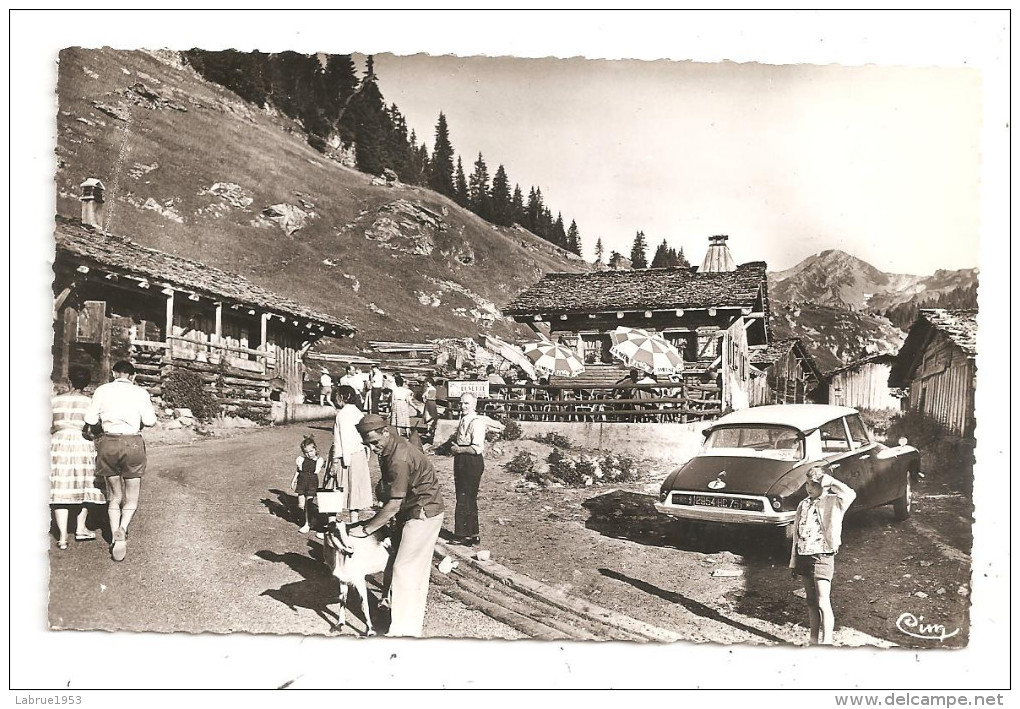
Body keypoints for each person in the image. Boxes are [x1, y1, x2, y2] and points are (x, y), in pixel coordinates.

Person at [350, 414, 445, 638]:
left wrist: (365, 529)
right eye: (368, 445)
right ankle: (407, 624)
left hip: (423, 512)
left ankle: (404, 631)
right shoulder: (389, 447)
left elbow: (393, 504)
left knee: (405, 569)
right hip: (411, 510)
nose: (373, 448)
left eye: (375, 442)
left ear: (385, 431)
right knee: (410, 569)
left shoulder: (398, 456)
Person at [84, 360, 157, 562]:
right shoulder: (140, 392)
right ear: (133, 376)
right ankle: (123, 529)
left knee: (114, 496)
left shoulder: (102, 390)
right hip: (132, 443)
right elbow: (150, 421)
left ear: (114, 374)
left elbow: (90, 420)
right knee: (131, 498)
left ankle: (114, 531)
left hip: (108, 442)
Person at [789, 466, 857, 645]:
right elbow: (797, 534)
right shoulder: (803, 504)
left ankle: (826, 643)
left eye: (815, 484)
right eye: (807, 484)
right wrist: (793, 560)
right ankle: (813, 641)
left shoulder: (834, 502)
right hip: (803, 554)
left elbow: (850, 494)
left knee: (822, 600)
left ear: (825, 485)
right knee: (811, 601)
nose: (810, 488)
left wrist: (831, 481)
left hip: (822, 556)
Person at [50, 366, 106, 550]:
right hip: (82, 443)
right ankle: (81, 528)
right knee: (85, 483)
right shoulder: (89, 403)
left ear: (69, 381)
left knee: (61, 486)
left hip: (59, 442)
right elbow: (95, 427)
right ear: (87, 384)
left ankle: (63, 537)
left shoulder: (54, 401)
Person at [444, 392, 491, 546]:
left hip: (470, 461)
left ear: (474, 404)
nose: (463, 406)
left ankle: (462, 535)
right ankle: (473, 532)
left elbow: (477, 448)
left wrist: (459, 450)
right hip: (462, 459)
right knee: (464, 496)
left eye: (466, 404)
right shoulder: (464, 419)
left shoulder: (476, 422)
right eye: (461, 403)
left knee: (466, 497)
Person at [330, 386, 373, 524]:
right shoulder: (359, 413)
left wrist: (334, 462)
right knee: (355, 489)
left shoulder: (341, 415)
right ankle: (354, 521)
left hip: (344, 457)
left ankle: (332, 522)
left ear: (342, 397)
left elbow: (338, 441)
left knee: (336, 487)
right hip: (358, 455)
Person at [291, 435, 324, 534]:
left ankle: (307, 523)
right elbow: (298, 470)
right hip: (302, 482)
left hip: (312, 483)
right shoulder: (301, 460)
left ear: (315, 449)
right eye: (306, 452)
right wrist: (293, 480)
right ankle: (311, 519)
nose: (309, 454)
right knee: (301, 505)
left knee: (308, 504)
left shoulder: (319, 461)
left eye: (311, 451)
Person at [388, 373, 415, 438]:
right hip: (403, 404)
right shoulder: (405, 390)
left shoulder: (394, 390)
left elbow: (392, 400)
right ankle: (408, 432)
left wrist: (391, 408)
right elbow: (408, 399)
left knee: (397, 420)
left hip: (396, 403)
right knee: (405, 418)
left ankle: (398, 434)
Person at [420, 375, 439, 444]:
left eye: (427, 382)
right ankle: (428, 430)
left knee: (431, 416)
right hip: (428, 403)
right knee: (427, 416)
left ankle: (431, 430)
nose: (426, 383)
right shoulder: (428, 388)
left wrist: (425, 397)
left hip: (431, 403)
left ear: (430, 382)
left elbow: (430, 397)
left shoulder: (432, 389)